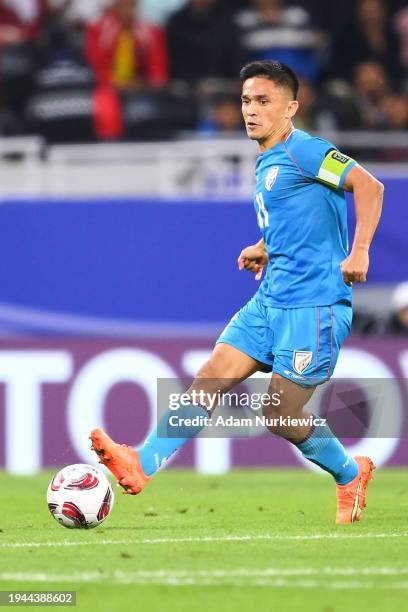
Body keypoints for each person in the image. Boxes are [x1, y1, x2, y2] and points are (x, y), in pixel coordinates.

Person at [91, 60, 384, 525]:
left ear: (291, 107)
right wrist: (265, 246)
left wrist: (360, 251)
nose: (251, 109)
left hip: (313, 306)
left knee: (280, 412)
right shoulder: (268, 158)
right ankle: (142, 463)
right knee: (211, 375)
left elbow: (369, 186)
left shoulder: (306, 151)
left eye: (263, 101)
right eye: (246, 100)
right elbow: (298, 218)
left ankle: (350, 473)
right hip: (270, 299)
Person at [85, 0, 168, 90]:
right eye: (123, 6)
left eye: (131, 6)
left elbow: (158, 68)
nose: (128, 11)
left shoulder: (150, 31)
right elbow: (96, 65)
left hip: (141, 88)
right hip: (107, 87)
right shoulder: (98, 30)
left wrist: (152, 84)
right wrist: (116, 82)